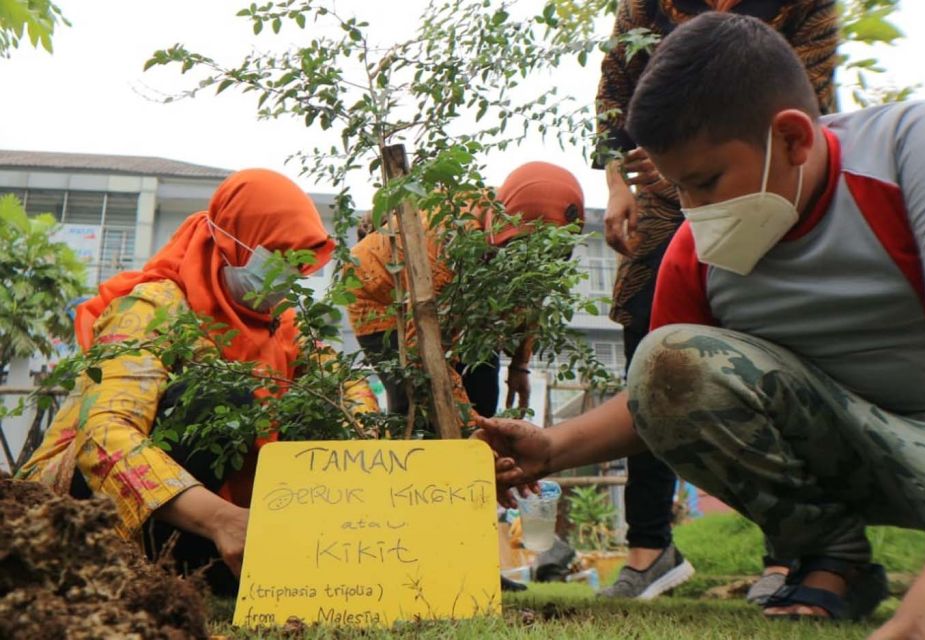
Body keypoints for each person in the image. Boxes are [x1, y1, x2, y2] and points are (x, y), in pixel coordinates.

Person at [479, 12, 925, 636]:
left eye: (706, 182)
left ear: (793, 139)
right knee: (668, 357)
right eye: (678, 189)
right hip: (851, 446)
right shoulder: (697, 249)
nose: (693, 211)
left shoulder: (914, 148)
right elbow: (664, 394)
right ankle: (830, 557)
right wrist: (550, 448)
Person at [17, 169, 378, 593]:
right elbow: (104, 436)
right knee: (222, 395)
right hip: (78, 506)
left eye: (297, 265)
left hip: (201, 517)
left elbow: (346, 386)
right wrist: (225, 520)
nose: (287, 278)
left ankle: (196, 566)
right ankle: (130, 564)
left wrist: (366, 441)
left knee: (312, 407)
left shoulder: (283, 324)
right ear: (232, 243)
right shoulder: (153, 308)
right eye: (275, 257)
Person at [594, 0, 839, 601]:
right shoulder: (642, 9)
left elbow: (812, 97)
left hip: (762, 190)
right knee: (652, 357)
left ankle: (792, 551)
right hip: (660, 210)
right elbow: (612, 96)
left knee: (773, 346)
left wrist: (708, 167)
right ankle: (650, 545)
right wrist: (620, 183)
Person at [346, 161, 585, 424]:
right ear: (507, 231)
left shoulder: (528, 249)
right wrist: (472, 425)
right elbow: (423, 353)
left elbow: (530, 297)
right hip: (380, 294)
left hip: (464, 299)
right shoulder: (448, 240)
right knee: (417, 403)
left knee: (482, 396)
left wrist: (520, 365)